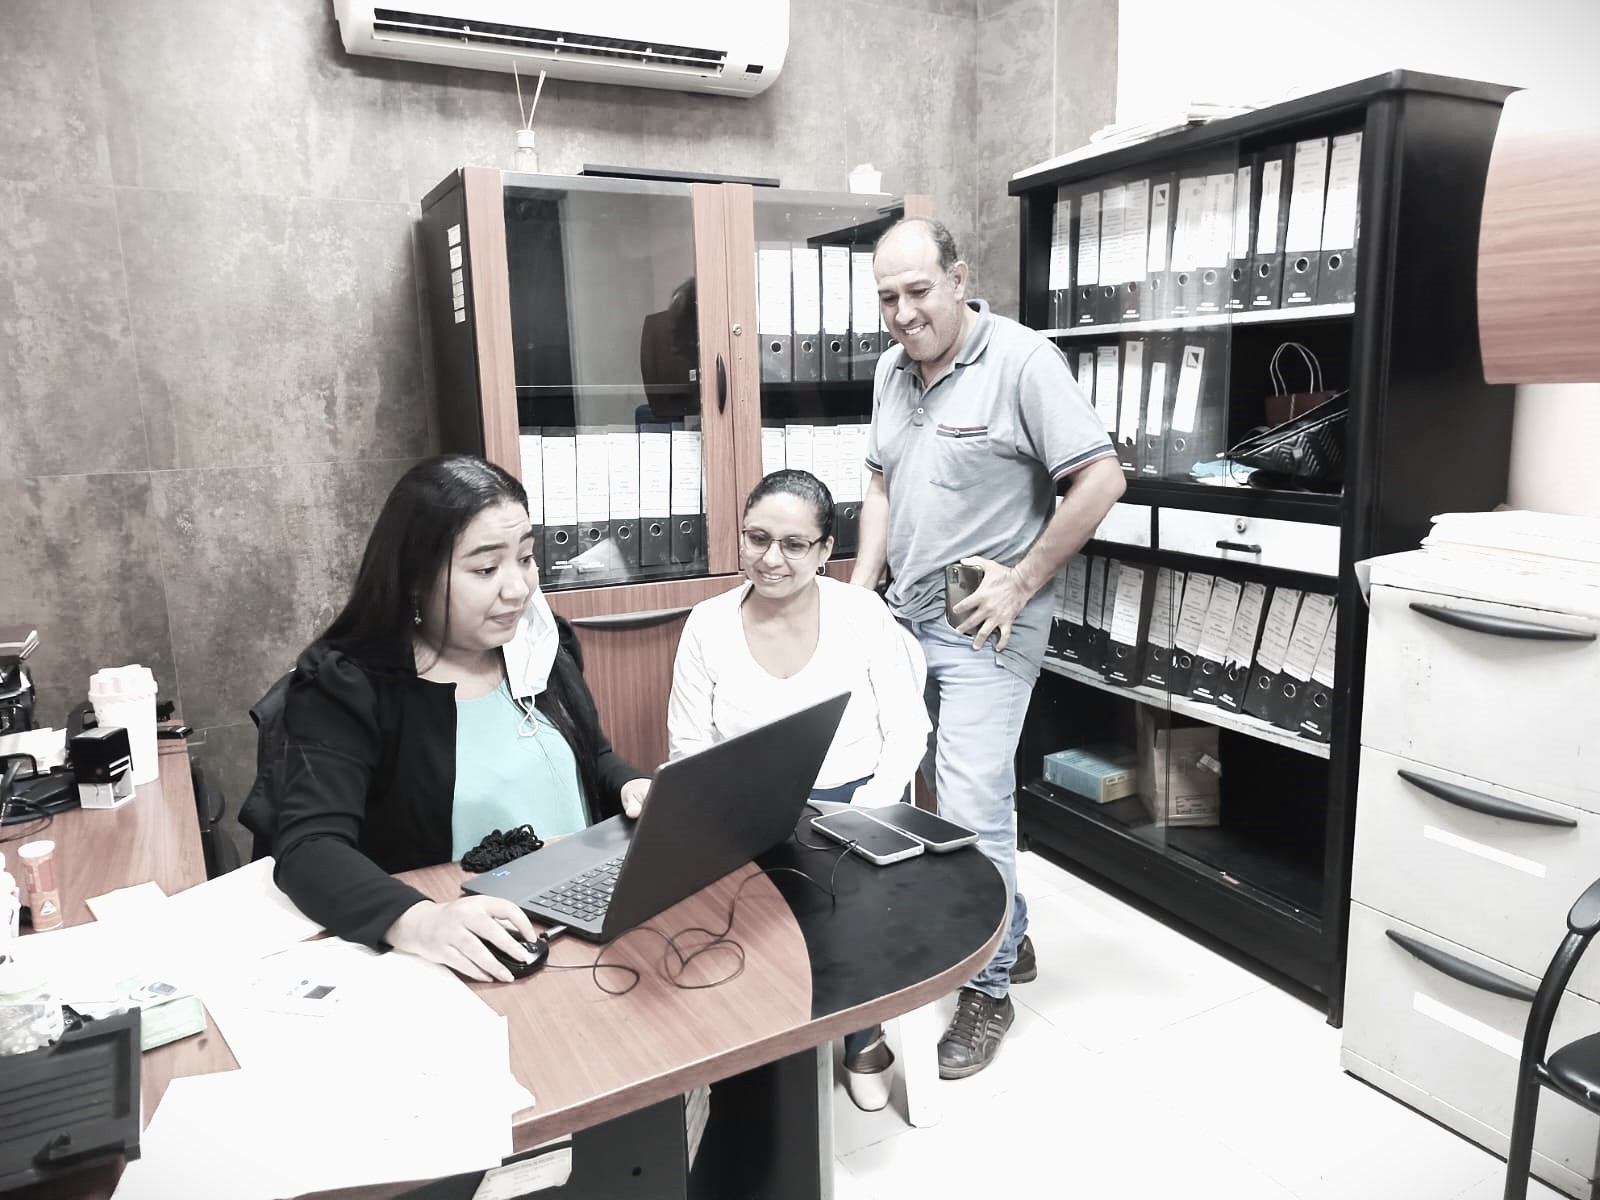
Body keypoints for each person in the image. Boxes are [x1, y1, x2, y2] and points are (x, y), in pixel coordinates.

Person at [851, 216, 1125, 1078]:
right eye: (887, 298)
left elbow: (1102, 478)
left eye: (918, 291)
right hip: (904, 615)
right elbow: (880, 483)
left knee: (973, 805)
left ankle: (990, 987)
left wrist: (1023, 580)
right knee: (928, 794)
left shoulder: (1023, 361)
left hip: (984, 620)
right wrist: (858, 594)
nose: (903, 313)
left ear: (959, 279)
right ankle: (1013, 931)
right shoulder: (892, 371)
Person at [270, 454, 651, 982]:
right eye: (486, 569)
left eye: (526, 558)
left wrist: (631, 784)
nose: (518, 589)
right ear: (415, 577)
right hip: (462, 940)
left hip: (577, 913)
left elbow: (591, 758)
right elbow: (309, 848)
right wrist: (421, 922)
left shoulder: (540, 646)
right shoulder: (349, 687)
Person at [666, 468, 930, 1111]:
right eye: (757, 538)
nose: (771, 559)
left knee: (848, 912)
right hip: (745, 814)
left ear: (823, 549)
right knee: (729, 924)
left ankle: (862, 1031)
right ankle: (762, 1039)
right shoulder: (707, 623)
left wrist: (869, 806)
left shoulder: (861, 614)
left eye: (793, 544)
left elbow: (908, 730)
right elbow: (687, 746)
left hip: (854, 802)